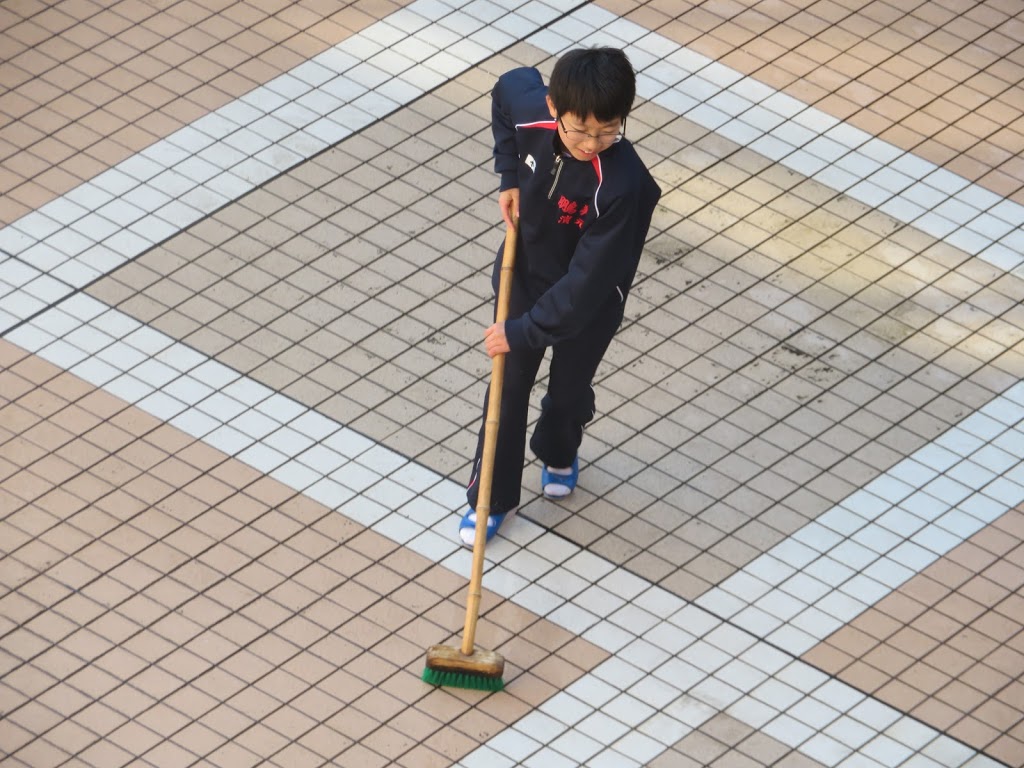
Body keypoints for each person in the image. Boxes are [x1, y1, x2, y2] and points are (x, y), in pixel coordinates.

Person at [460, 47, 662, 546]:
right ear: (554, 107)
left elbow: (585, 285)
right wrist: (509, 174)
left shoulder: (625, 186)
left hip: (590, 304)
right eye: (580, 130)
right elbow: (508, 87)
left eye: (608, 130)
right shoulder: (534, 113)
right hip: (525, 277)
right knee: (506, 391)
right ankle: (492, 500)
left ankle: (558, 450)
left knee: (568, 393)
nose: (592, 143)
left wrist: (520, 331)